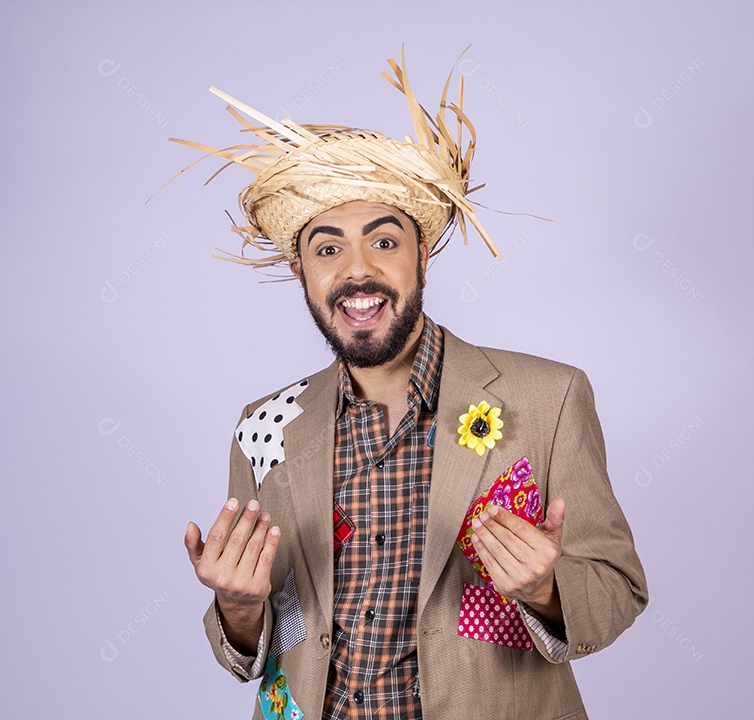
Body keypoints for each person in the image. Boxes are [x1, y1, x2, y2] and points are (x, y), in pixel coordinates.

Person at [179, 48, 648, 720]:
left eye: (385, 242)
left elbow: (617, 589)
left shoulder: (549, 398)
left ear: (423, 254)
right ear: (300, 271)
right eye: (328, 247)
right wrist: (238, 606)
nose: (358, 271)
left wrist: (546, 589)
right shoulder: (266, 427)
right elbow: (269, 637)